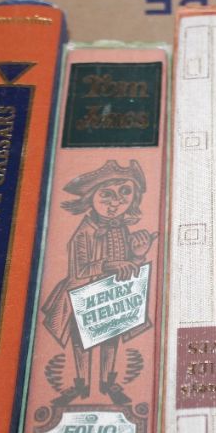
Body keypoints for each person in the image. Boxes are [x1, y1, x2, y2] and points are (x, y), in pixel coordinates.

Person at [41, 160, 156, 406]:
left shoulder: (121, 228)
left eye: (125, 193)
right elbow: (79, 270)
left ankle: (107, 382)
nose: (116, 203)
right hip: (81, 293)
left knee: (111, 334)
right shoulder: (84, 232)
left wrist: (138, 254)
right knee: (81, 339)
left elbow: (128, 261)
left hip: (112, 291)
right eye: (107, 194)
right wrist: (109, 265)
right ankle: (81, 383)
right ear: (91, 197)